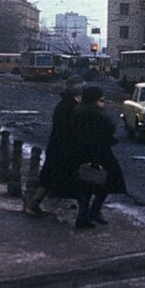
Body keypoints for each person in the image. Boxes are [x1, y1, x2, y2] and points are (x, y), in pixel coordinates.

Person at [65, 86, 127, 230]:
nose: (102, 102)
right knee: (108, 180)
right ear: (94, 99)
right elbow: (109, 127)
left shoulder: (78, 110)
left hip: (81, 153)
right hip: (99, 153)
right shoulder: (95, 112)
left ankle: (84, 215)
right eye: (100, 99)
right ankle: (92, 211)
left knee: (85, 184)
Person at [24, 75, 85, 216]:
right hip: (64, 148)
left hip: (59, 147)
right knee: (80, 179)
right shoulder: (70, 106)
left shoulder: (65, 104)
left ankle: (34, 205)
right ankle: (86, 212)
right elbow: (70, 128)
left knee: (48, 179)